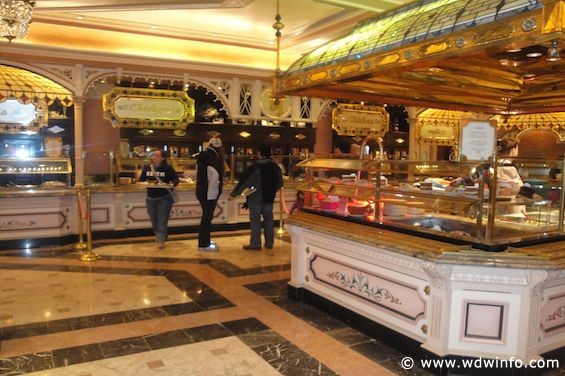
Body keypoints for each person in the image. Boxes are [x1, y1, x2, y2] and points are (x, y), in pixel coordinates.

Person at [230, 144, 283, 250]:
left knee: (255, 220)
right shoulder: (276, 167)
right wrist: (272, 190)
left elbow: (245, 182)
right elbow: (280, 183)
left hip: (256, 197)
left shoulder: (255, 166)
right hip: (269, 197)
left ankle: (255, 244)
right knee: (269, 219)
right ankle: (269, 243)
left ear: (259, 153)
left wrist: (234, 194)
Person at [138, 149, 179, 249]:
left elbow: (176, 179)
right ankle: (160, 235)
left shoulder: (168, 168)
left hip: (164, 197)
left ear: (162, 158)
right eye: (153, 155)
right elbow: (141, 180)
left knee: (162, 219)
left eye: (157, 155)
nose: (154, 157)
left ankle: (161, 240)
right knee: (153, 219)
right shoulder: (147, 167)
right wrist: (144, 183)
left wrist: (172, 184)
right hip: (150, 197)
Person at [195, 136, 224, 251]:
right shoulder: (214, 158)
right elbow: (214, 178)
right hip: (209, 193)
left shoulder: (202, 156)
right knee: (207, 218)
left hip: (201, 190)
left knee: (206, 218)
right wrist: (214, 193)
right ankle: (204, 244)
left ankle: (205, 242)